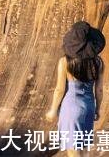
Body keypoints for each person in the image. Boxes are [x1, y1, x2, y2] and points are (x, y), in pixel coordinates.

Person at [45, 21, 105, 156]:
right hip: (88, 107)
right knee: (84, 149)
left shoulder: (65, 62)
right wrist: (98, 109)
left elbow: (59, 90)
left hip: (71, 108)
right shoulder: (98, 62)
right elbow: (99, 90)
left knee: (73, 151)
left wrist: (53, 110)